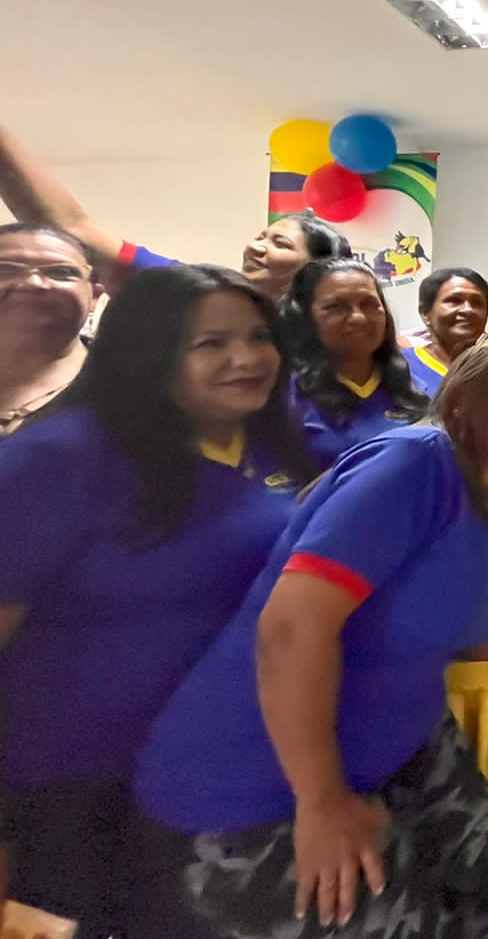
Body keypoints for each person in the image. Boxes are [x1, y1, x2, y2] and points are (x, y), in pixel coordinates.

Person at [131, 336, 488, 939]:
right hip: (257, 782)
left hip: (392, 752)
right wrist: (320, 803)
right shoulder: (415, 461)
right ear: (465, 394)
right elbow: (293, 624)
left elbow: (461, 625)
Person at [0, 265, 316, 936]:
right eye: (211, 343)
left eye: (260, 336)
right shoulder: (60, 458)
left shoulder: (271, 442)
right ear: (149, 350)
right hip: (76, 795)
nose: (247, 358)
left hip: (223, 782)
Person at [0, 119, 349, 303]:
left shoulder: (349, 339)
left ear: (316, 271)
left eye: (280, 244)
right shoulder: (195, 292)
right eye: (261, 237)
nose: (255, 247)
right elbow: (72, 228)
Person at [281, 258, 429, 470]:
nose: (358, 317)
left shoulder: (416, 389)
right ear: (305, 317)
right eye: (336, 307)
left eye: (369, 305)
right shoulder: (286, 398)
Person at [0, 223, 98, 437]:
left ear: (95, 297)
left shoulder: (137, 389)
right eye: (5, 269)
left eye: (62, 272)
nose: (32, 282)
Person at [405, 267, 488, 394]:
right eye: (454, 301)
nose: (468, 310)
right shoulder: (400, 366)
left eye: (477, 303)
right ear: (425, 313)